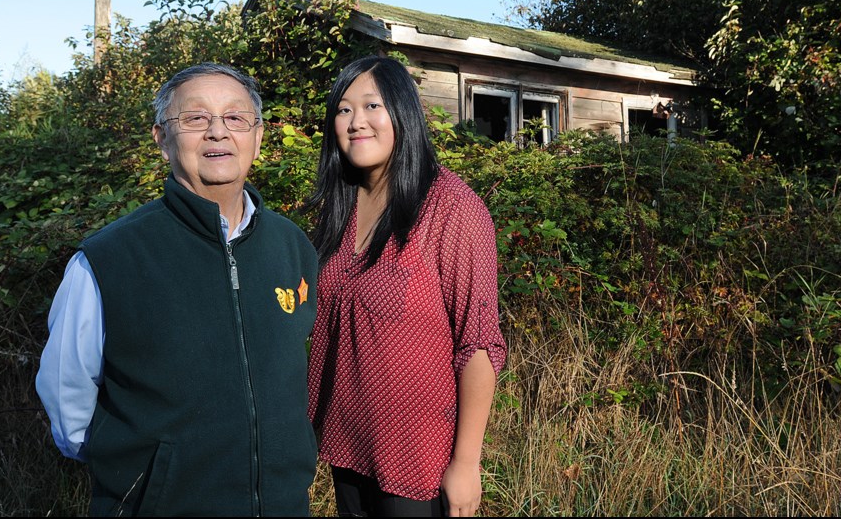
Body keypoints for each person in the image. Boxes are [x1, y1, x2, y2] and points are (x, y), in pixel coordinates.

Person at [35, 62, 319, 516]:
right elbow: (67, 393)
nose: (217, 132)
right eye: (195, 119)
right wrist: (144, 477)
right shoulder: (108, 259)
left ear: (258, 136)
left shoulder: (293, 246)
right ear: (162, 139)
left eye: (235, 117)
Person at [305, 55, 507, 517]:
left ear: (403, 112)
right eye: (343, 109)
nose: (357, 122)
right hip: (347, 444)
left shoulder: (451, 208)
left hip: (418, 462)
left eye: (372, 105)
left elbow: (478, 345)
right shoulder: (342, 206)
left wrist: (466, 463)